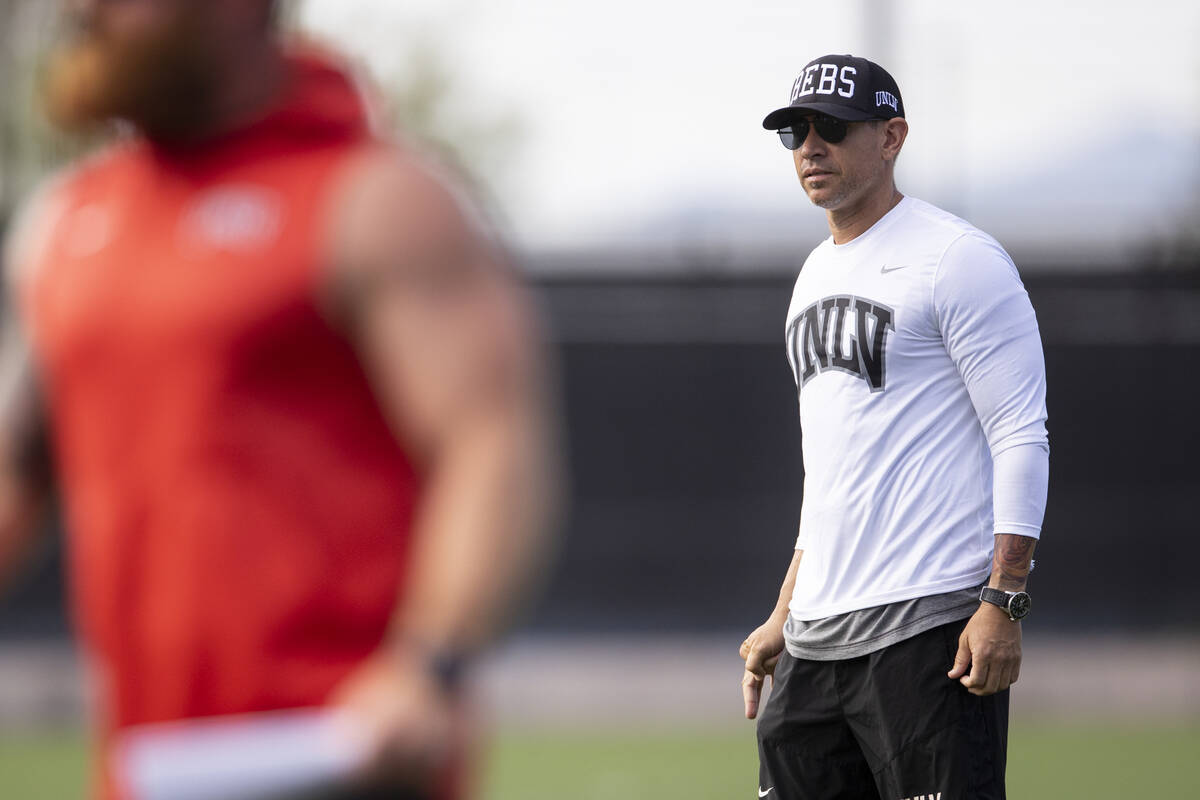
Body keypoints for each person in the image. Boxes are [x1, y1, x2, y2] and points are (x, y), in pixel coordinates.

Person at [0, 1, 559, 798]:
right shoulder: (64, 222)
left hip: (341, 758)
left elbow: (490, 447)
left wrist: (428, 666)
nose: (85, 11)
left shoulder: (379, 199)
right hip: (150, 770)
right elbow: (17, 474)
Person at [739, 54, 1048, 800]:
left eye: (833, 128)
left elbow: (1019, 433)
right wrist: (785, 610)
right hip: (816, 640)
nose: (811, 146)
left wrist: (1003, 599)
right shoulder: (814, 274)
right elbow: (833, 471)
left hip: (926, 634)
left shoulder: (957, 258)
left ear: (892, 137)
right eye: (795, 132)